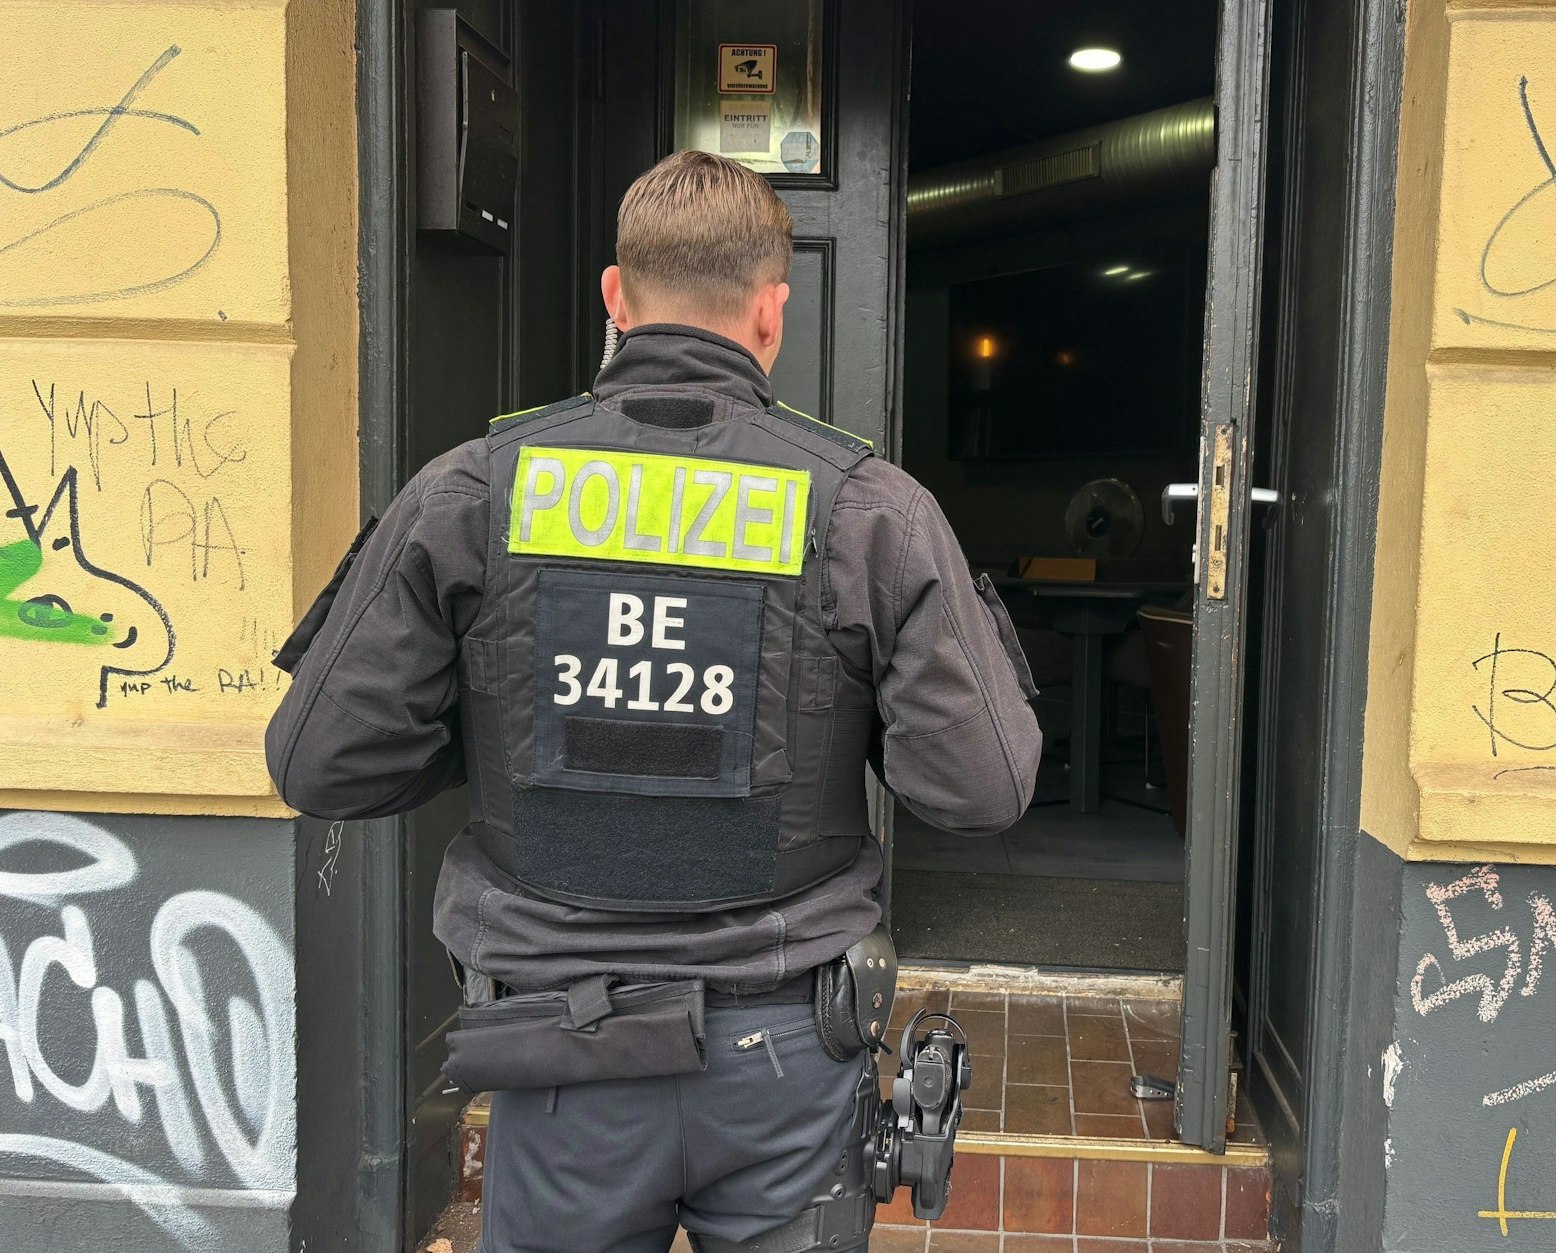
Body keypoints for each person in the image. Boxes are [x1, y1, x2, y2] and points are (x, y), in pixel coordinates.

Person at [265, 150, 1042, 1253]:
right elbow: (982, 789)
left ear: (614, 299)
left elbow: (320, 762)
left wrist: (503, 729)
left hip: (562, 1061)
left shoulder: (474, 489)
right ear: (770, 315)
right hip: (788, 1058)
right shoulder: (870, 511)